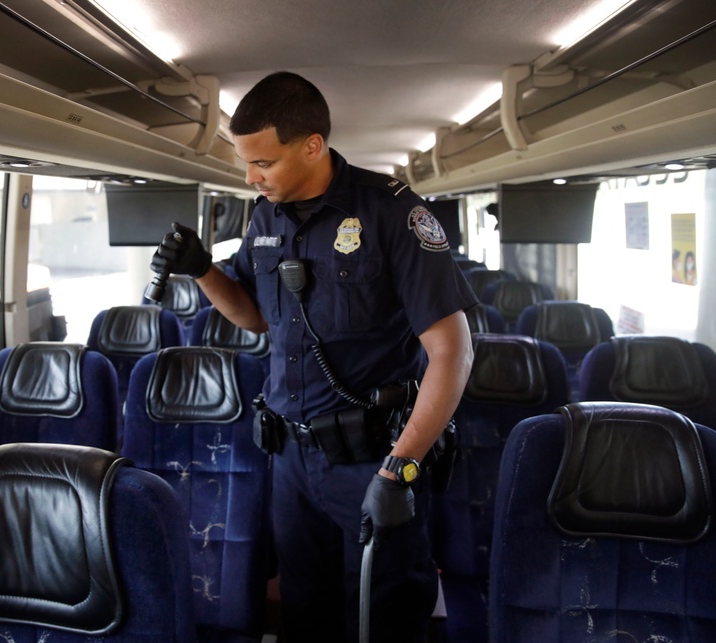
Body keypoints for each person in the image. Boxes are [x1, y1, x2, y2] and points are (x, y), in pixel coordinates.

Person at [150, 71, 476, 642]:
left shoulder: (391, 212)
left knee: (381, 615)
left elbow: (453, 353)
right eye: (246, 163)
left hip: (373, 458)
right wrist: (203, 268)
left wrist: (400, 470)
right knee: (304, 613)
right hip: (291, 459)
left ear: (312, 146)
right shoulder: (264, 216)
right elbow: (255, 317)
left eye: (265, 164)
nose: (252, 178)